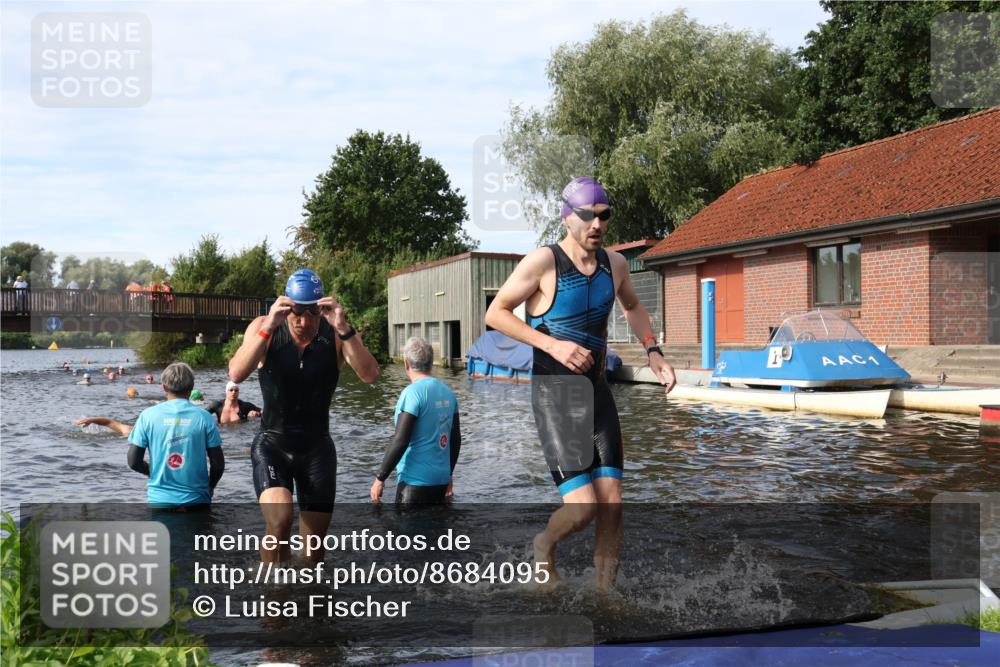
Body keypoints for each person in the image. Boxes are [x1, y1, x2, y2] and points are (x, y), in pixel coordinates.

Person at [484, 176, 676, 592]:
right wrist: (552, 345)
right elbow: (496, 313)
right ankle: (543, 544)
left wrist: (653, 350)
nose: (597, 224)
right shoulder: (543, 263)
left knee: (612, 503)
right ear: (567, 216)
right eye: (587, 215)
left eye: (604, 216)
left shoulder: (616, 265)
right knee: (583, 508)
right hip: (556, 395)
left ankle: (604, 595)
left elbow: (633, 305)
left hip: (598, 392)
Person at [229, 268, 379, 562]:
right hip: (273, 444)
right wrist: (269, 327)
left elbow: (371, 376)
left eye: (311, 313)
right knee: (280, 522)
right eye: (296, 312)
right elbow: (236, 372)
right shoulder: (264, 326)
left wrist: (344, 327)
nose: (303, 321)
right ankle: (272, 591)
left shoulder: (337, 333)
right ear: (286, 306)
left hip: (316, 449)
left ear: (320, 308)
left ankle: (308, 601)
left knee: (313, 551)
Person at [370, 338, 461, 505]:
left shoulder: (412, 393)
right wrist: (449, 475)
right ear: (431, 362)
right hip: (441, 480)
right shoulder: (449, 393)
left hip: (414, 483)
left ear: (406, 363)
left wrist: (380, 478)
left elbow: (400, 440)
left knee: (405, 530)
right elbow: (455, 441)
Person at [126, 362, 224, 509]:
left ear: (164, 387)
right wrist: (211, 486)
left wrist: (153, 471)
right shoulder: (204, 417)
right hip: (197, 499)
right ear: (191, 387)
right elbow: (218, 464)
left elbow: (133, 461)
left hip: (160, 500)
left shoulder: (147, 416)